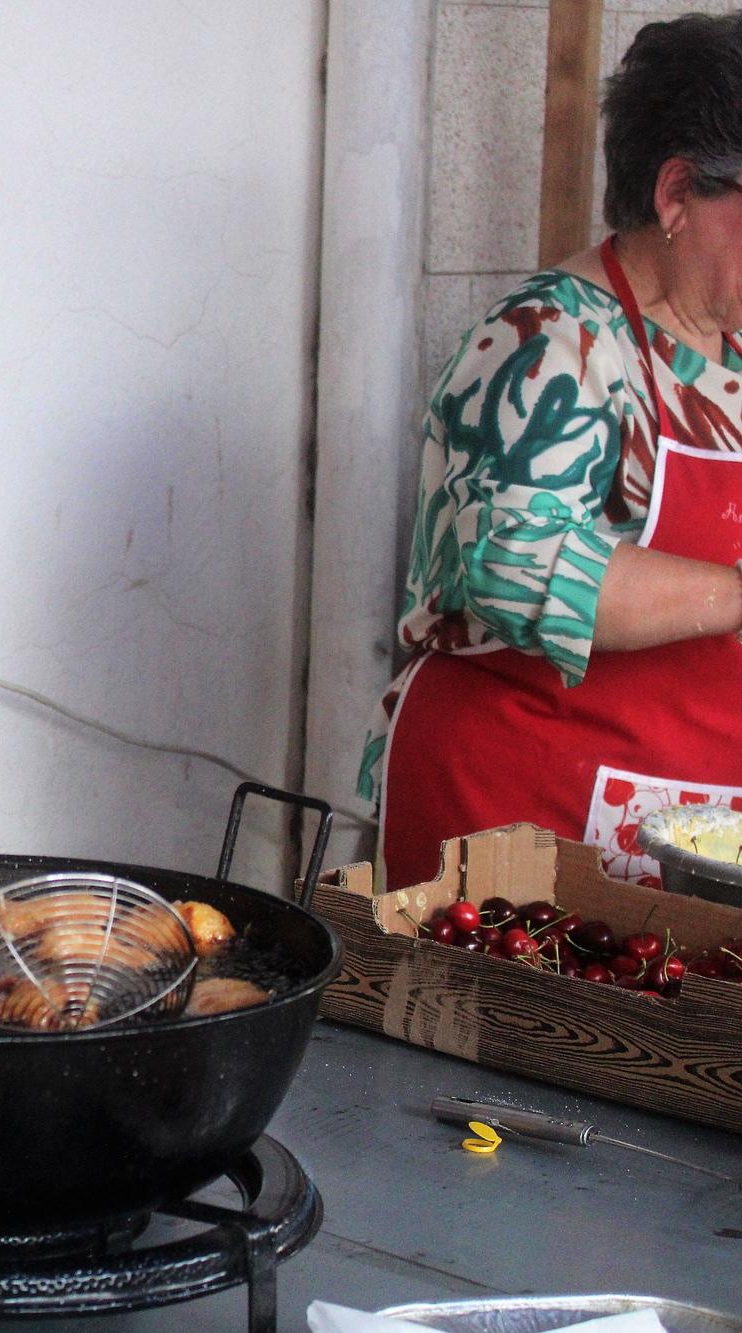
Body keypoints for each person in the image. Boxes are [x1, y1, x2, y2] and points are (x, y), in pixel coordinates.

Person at [366, 12, 742, 891]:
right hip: (511, 827)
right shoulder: (551, 346)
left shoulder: (730, 352)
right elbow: (518, 565)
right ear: (678, 193)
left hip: (683, 843)